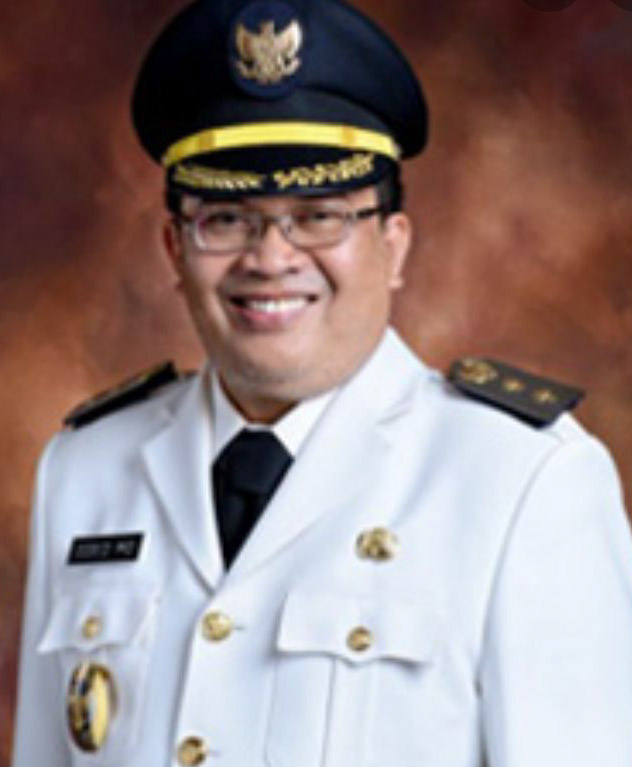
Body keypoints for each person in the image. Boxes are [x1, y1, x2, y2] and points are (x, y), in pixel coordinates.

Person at [12, 0, 632, 765]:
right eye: (227, 218)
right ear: (175, 248)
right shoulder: (85, 471)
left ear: (393, 246)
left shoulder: (523, 482)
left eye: (319, 215)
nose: (271, 258)